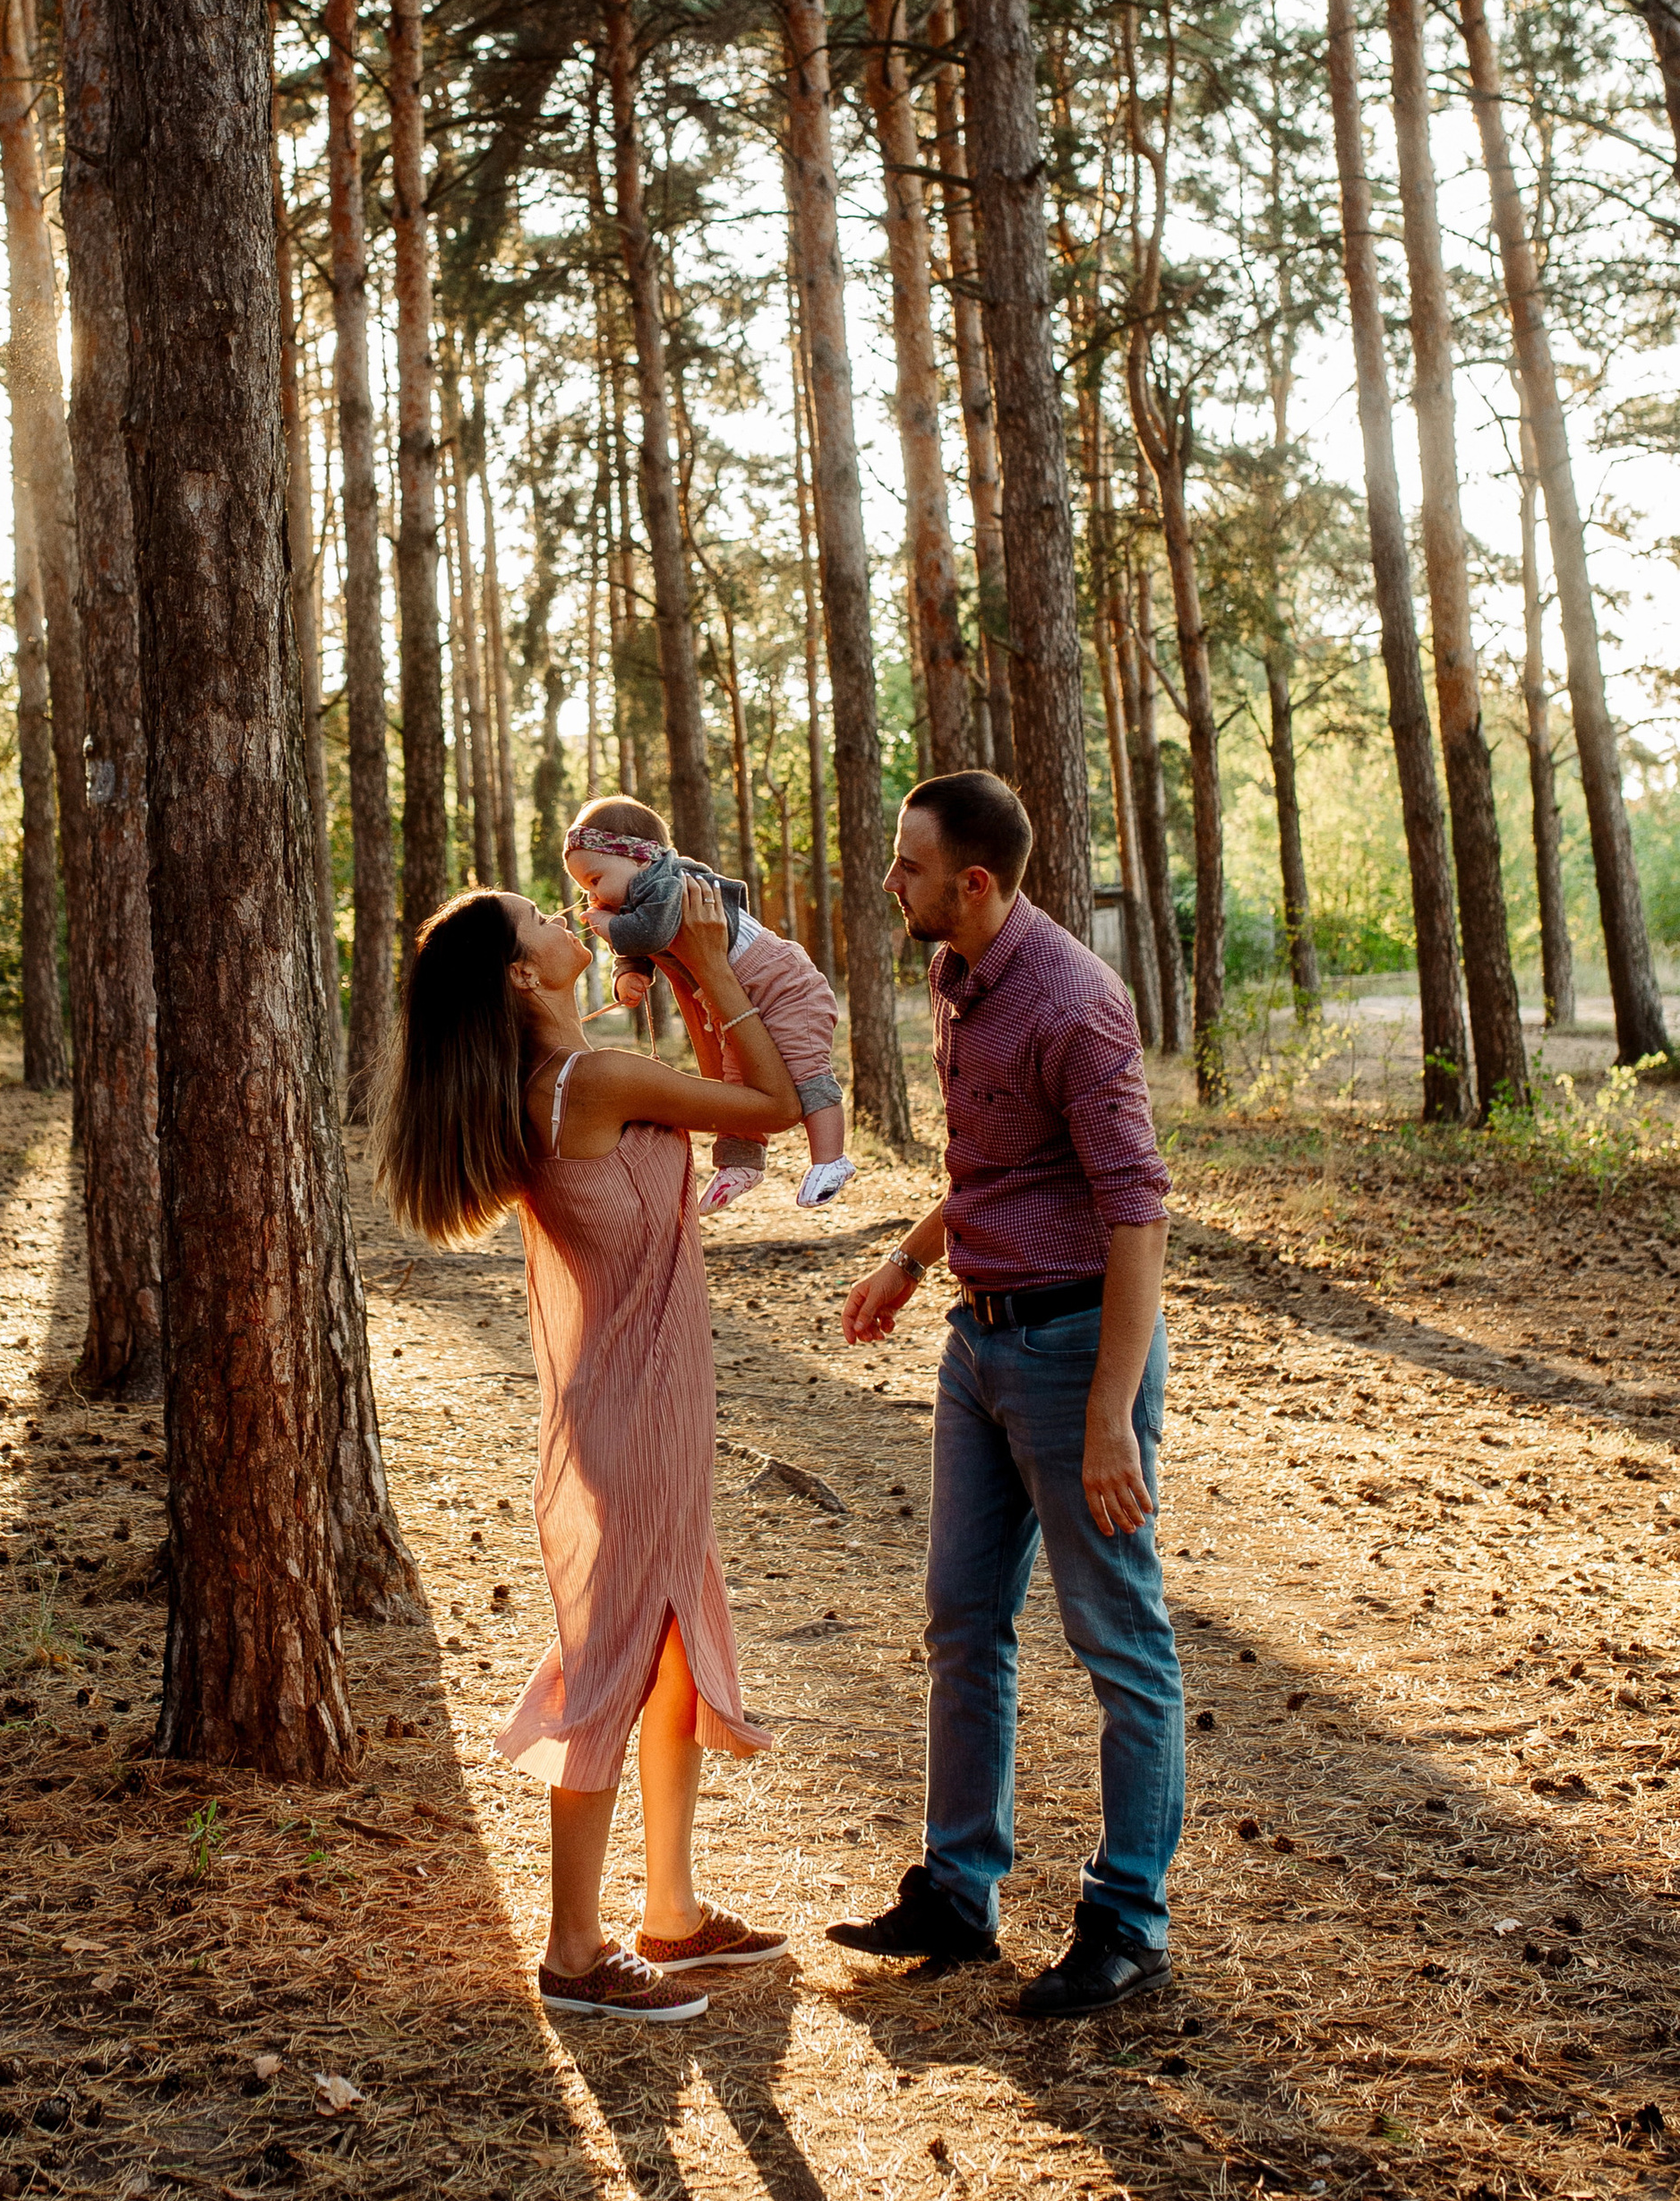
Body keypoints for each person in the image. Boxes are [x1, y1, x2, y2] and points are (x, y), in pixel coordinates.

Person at [374, 878, 802, 2023]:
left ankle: (671, 1909)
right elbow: (770, 1102)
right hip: (635, 1410)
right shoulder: (588, 1081)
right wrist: (710, 964)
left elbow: (706, 1090)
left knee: (663, 1652)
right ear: (522, 975)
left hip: (641, 1401)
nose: (564, 918)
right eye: (538, 921)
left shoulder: (561, 1077)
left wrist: (673, 972)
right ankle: (572, 1950)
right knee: (616, 1659)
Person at [829, 769, 1183, 2017]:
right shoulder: (956, 975)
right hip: (976, 1341)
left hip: (1072, 1352)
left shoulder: (1077, 1006)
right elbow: (1000, 1165)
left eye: (909, 866)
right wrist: (911, 1254)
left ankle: (1128, 1917)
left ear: (973, 882)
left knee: (1119, 1640)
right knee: (963, 1620)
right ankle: (958, 1891)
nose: (892, 881)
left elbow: (1136, 1209)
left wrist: (1107, 1411)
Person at [562, 796, 854, 1212]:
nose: (593, 896)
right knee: (738, 1086)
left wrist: (612, 928)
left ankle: (831, 1159)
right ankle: (742, 1164)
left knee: (806, 1068)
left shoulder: (667, 882)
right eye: (584, 887)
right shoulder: (636, 899)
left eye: (595, 879)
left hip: (783, 983)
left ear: (639, 856)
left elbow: (651, 933)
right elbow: (645, 947)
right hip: (736, 991)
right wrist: (629, 972)